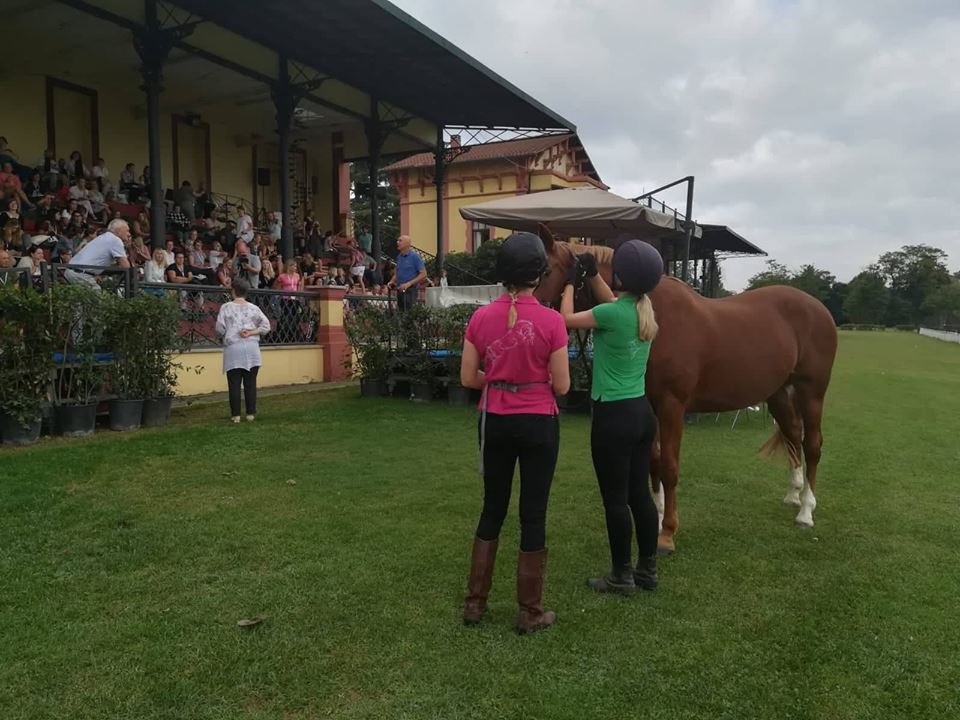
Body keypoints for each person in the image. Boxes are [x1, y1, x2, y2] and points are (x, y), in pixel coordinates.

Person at [459, 232, 570, 635]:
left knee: (493, 508)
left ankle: (475, 603)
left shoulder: (480, 318)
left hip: (495, 420)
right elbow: (562, 385)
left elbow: (468, 377)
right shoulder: (553, 321)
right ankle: (530, 611)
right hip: (539, 421)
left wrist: (499, 377)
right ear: (540, 275)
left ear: (502, 275)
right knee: (533, 513)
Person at [560, 240, 664, 594]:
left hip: (612, 417)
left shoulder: (610, 315)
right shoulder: (644, 312)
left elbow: (565, 320)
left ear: (622, 275)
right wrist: (591, 275)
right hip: (641, 414)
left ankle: (621, 575)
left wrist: (569, 286)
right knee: (639, 496)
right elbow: (611, 301)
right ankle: (647, 570)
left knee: (615, 500)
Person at [215, 278, 271, 423]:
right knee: (250, 382)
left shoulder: (226, 307)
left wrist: (227, 332)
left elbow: (219, 328)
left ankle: (236, 415)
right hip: (252, 347)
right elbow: (266, 326)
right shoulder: (254, 308)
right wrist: (252, 332)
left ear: (233, 291)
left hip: (233, 347)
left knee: (234, 382)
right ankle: (250, 413)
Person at [65, 219, 131, 289]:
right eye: (127, 230)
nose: (129, 234)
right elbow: (126, 267)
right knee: (99, 299)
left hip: (71, 272)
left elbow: (95, 261)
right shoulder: (115, 240)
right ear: (118, 230)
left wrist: (97, 273)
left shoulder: (104, 237)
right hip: (80, 275)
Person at [386, 235, 426, 311]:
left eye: (400, 241)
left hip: (411, 290)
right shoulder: (399, 257)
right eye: (397, 240)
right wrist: (392, 281)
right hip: (400, 289)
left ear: (407, 244)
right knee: (401, 312)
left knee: (409, 313)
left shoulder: (415, 257)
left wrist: (409, 284)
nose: (397, 242)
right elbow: (397, 273)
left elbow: (423, 274)